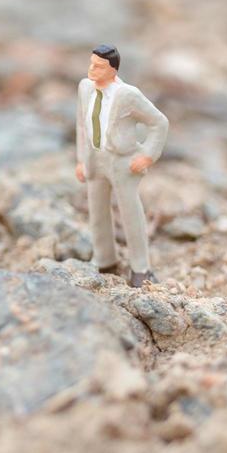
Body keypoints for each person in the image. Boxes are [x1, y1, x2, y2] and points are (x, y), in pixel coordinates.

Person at [75, 45, 169, 287]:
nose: (92, 69)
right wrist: (80, 159)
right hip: (95, 158)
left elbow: (159, 123)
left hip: (122, 160)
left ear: (113, 70)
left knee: (130, 213)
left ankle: (141, 268)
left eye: (98, 66)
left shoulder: (128, 95)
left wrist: (147, 155)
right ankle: (104, 259)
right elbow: (82, 126)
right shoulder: (85, 88)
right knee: (97, 211)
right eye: (91, 64)